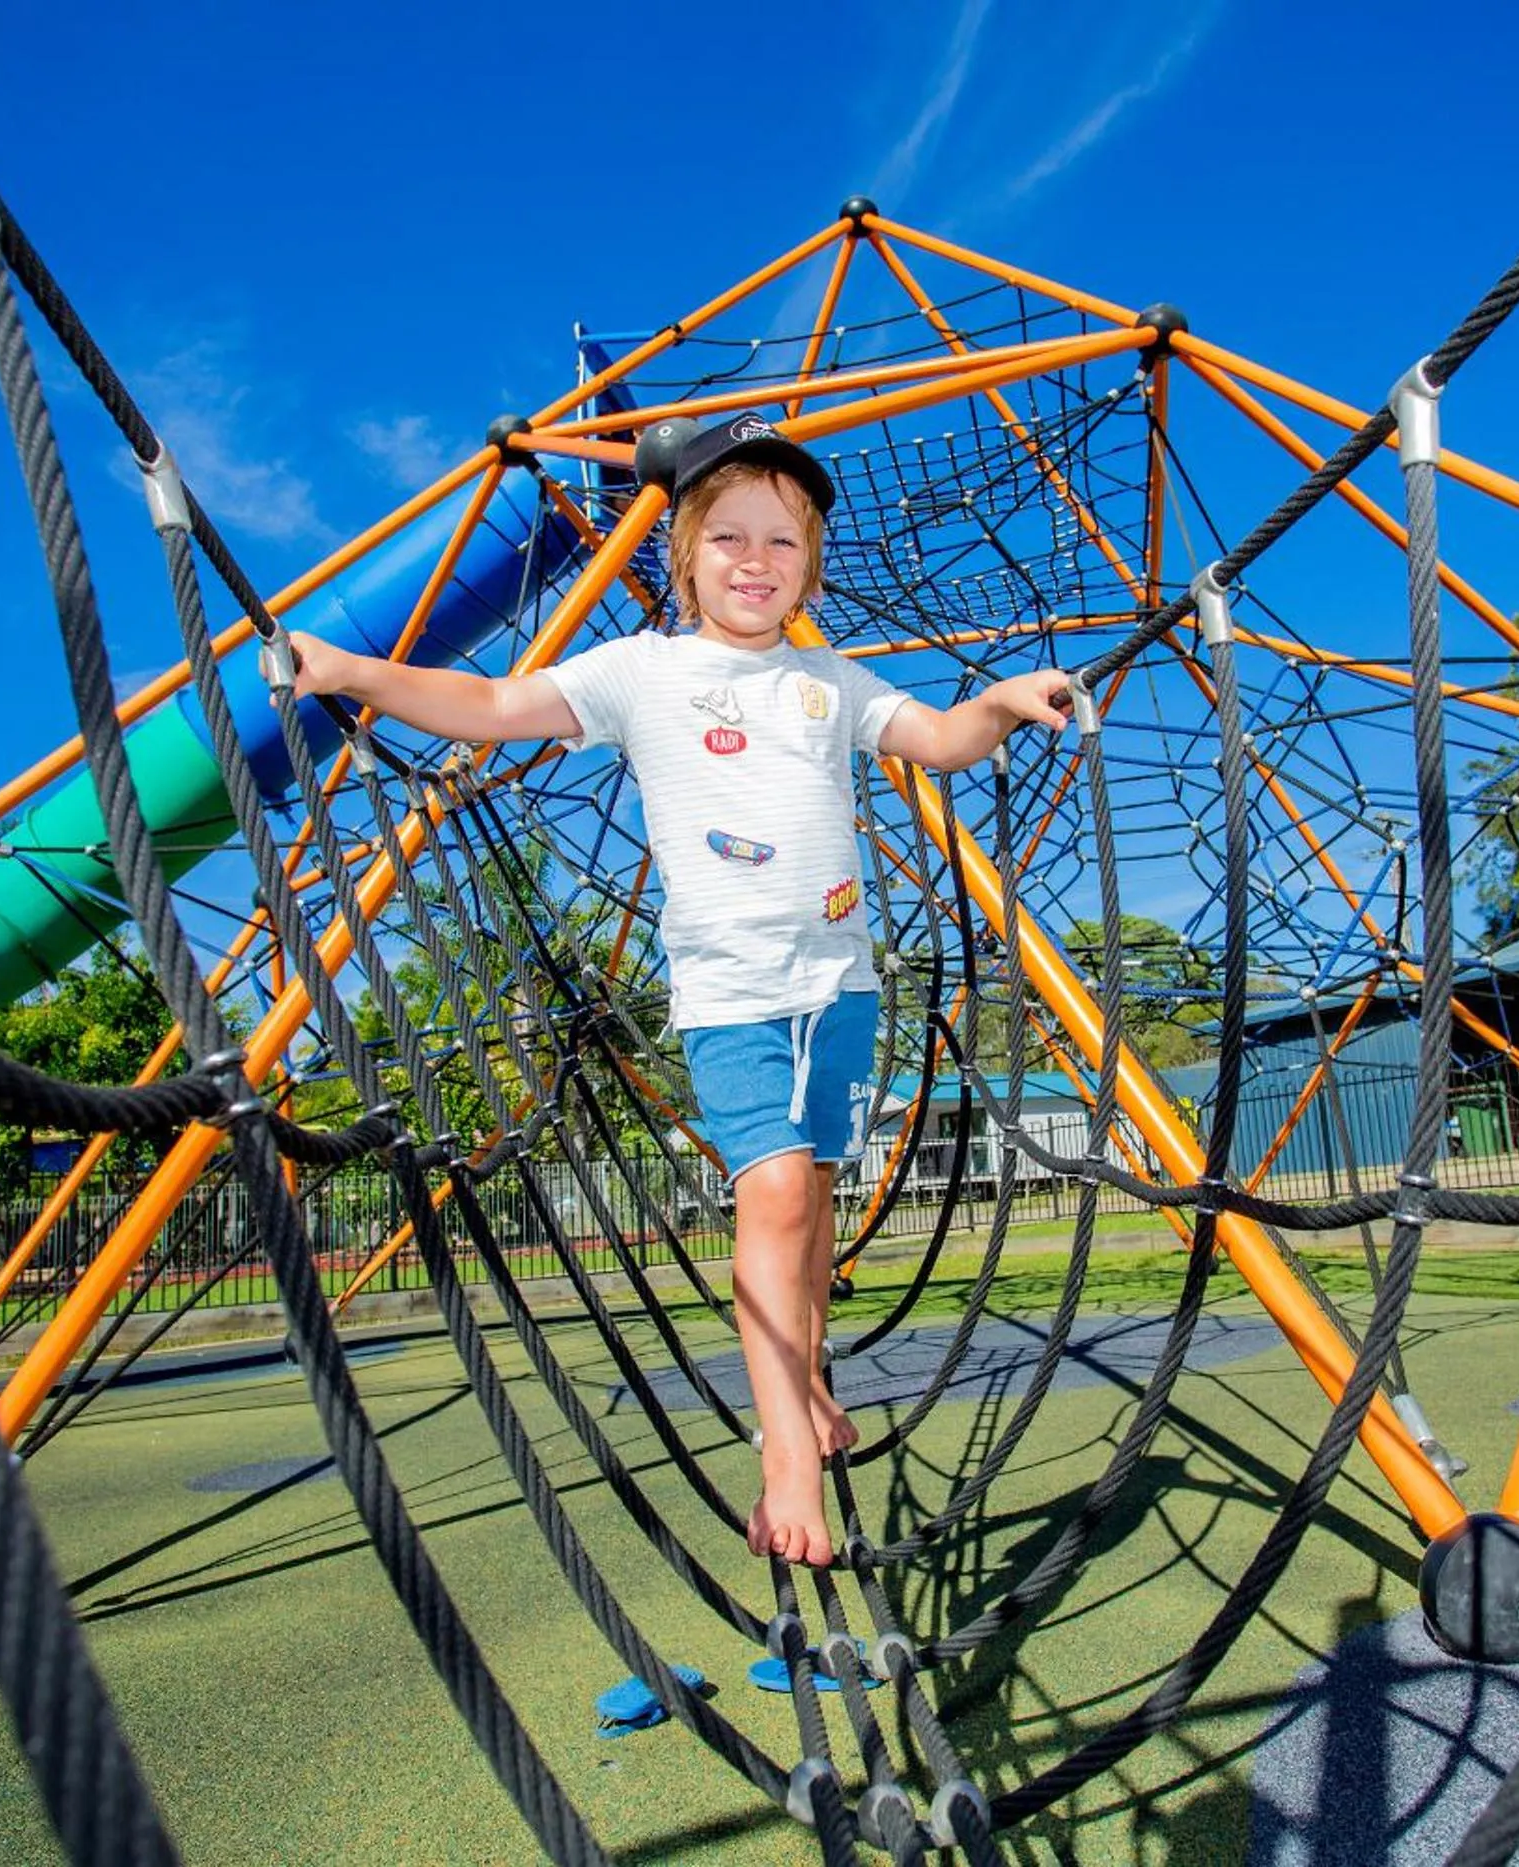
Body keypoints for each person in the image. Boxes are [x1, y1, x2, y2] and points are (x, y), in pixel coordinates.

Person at [277, 412, 1072, 1566]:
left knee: (811, 1216)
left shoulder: (827, 681)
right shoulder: (642, 672)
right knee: (777, 1197)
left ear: (810, 565)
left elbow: (942, 739)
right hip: (731, 994)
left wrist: (997, 703)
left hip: (842, 989)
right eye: (730, 538)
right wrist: (351, 672)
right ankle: (784, 1451)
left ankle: (804, 1385)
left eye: (783, 543)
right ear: (681, 555)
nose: (756, 561)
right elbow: (497, 711)